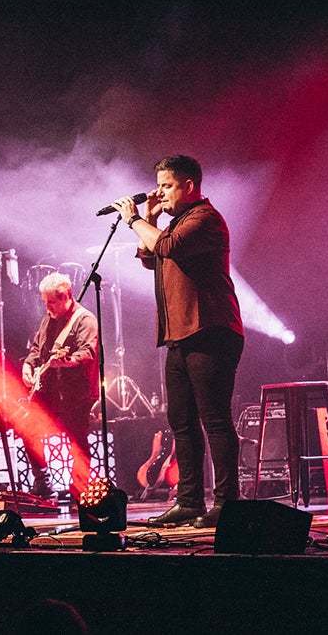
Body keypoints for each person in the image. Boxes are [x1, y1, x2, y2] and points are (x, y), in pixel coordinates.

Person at [113, 155, 245, 529]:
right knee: (181, 422)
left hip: (210, 331)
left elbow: (168, 249)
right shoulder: (173, 224)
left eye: (167, 186)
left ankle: (227, 503)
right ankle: (189, 501)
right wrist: (150, 220)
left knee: (215, 420)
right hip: (179, 335)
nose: (159, 192)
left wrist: (136, 219)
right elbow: (150, 257)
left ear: (189, 186)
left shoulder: (205, 219)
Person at [20, 271, 98, 504]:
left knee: (77, 439)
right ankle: (43, 483)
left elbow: (88, 352)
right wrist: (28, 364)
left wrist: (68, 361)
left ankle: (79, 487)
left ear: (66, 296)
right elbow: (37, 348)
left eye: (51, 302)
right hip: (49, 391)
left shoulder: (85, 319)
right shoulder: (48, 319)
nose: (47, 308)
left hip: (75, 392)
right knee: (28, 429)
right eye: (44, 302)